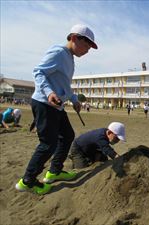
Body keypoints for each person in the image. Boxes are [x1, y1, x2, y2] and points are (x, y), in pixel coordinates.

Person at [15, 24, 98, 195]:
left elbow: (64, 84)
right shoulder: (59, 52)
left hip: (57, 105)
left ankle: (54, 171)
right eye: (86, 46)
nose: (87, 51)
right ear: (74, 38)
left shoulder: (69, 57)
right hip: (45, 103)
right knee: (48, 144)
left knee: (67, 136)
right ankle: (27, 181)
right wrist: (49, 92)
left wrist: (74, 99)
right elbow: (38, 72)